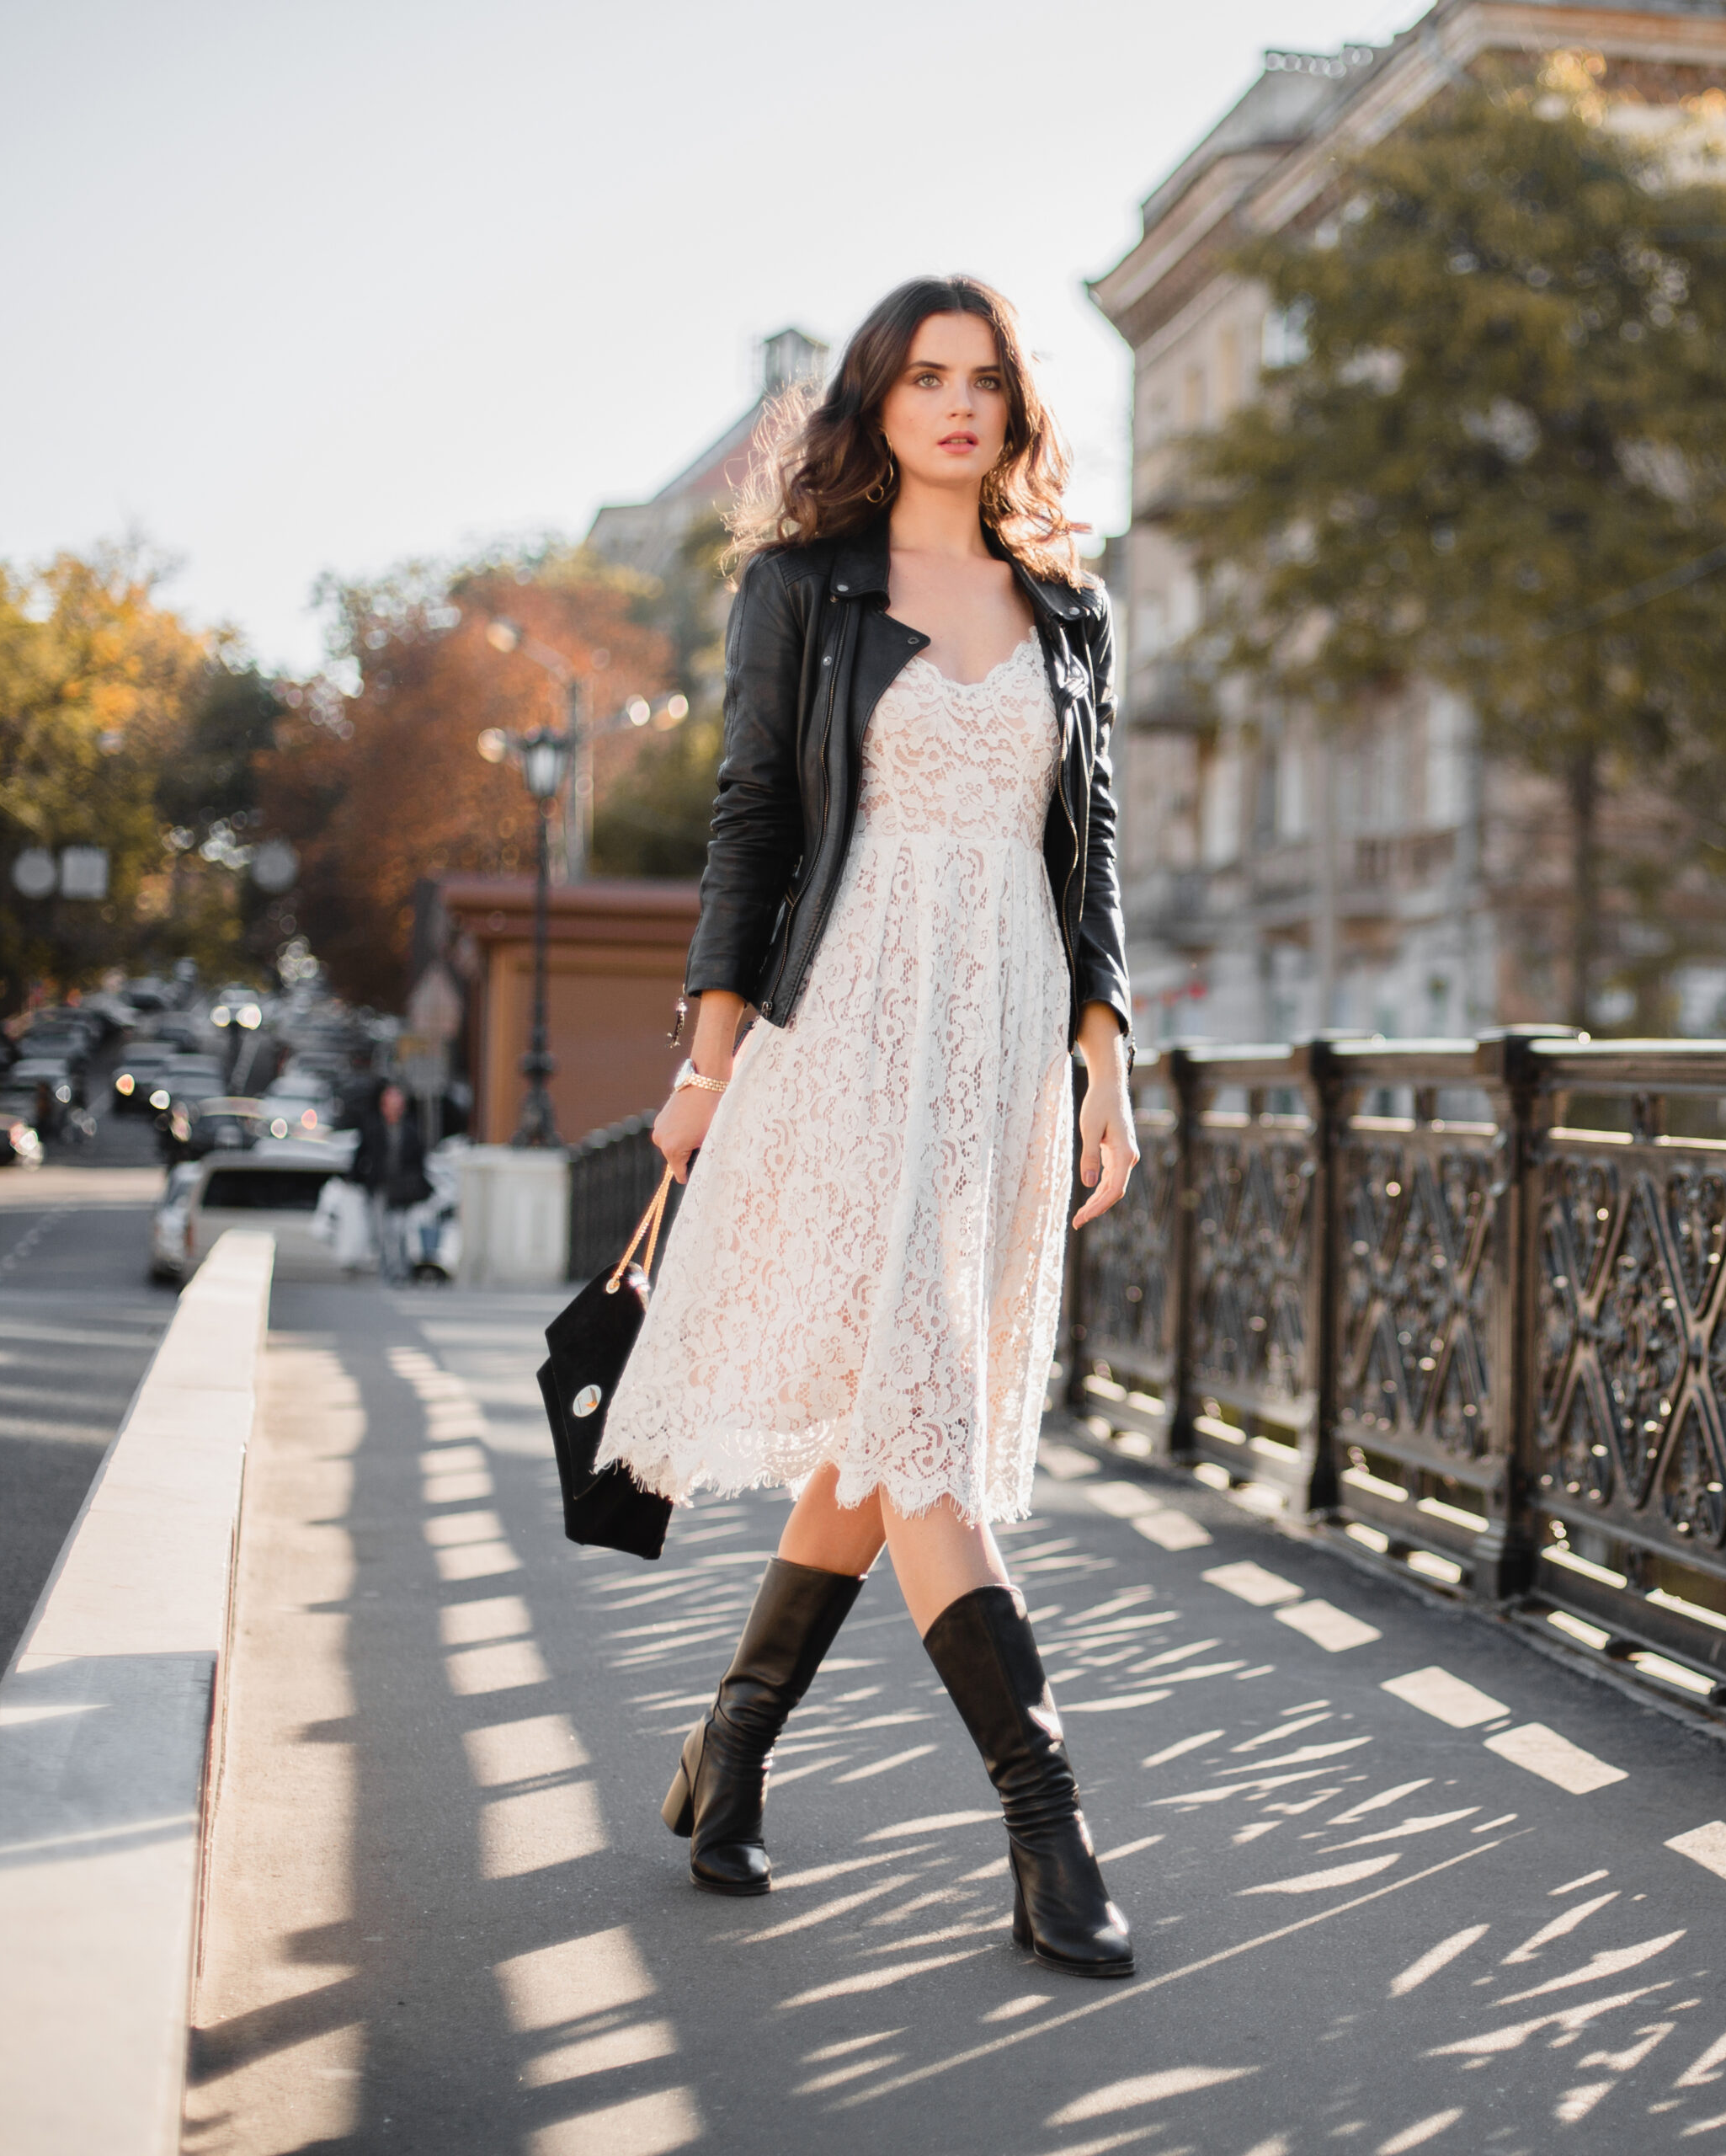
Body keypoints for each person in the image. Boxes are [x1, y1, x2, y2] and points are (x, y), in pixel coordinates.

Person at [596, 275, 1142, 1979]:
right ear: (879, 400)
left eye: (986, 378)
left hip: (997, 1042)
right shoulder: (802, 590)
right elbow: (754, 820)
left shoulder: (1067, 605)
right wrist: (706, 1057)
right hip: (848, 1027)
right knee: (918, 1415)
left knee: (885, 1417)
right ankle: (1046, 1819)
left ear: (1015, 406)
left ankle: (731, 1747)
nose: (959, 404)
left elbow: (1091, 846)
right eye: (927, 376)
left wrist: (1106, 1060)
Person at [349, 1082, 433, 1283]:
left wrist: (422, 1186)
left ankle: (402, 1271)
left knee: (401, 1231)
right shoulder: (373, 1127)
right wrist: (356, 1178)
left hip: (403, 1190)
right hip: (380, 1187)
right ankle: (387, 1271)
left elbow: (419, 1161)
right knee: (383, 1232)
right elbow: (361, 1155)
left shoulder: (410, 1131)